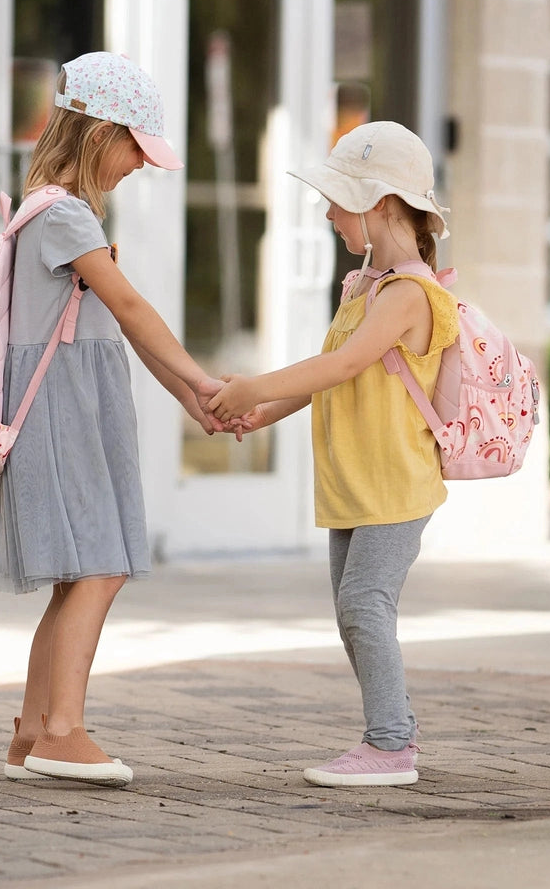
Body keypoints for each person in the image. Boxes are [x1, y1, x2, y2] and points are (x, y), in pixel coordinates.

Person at [0, 52, 225, 788]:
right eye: (134, 149)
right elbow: (131, 308)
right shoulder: (64, 215)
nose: (140, 165)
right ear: (97, 135)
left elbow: (117, 325)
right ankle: (63, 731)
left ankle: (32, 731)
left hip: (67, 401)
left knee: (75, 576)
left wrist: (192, 397)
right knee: (101, 566)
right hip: (65, 406)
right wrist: (203, 380)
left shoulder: (46, 210)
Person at [210, 121, 459, 788]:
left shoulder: (409, 295)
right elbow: (330, 374)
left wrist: (252, 387)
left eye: (338, 201)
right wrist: (261, 412)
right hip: (355, 481)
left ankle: (391, 746)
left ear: (381, 204)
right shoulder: (367, 288)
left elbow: (344, 364)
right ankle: (392, 731)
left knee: (364, 606)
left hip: (395, 482)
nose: (327, 214)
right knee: (355, 612)